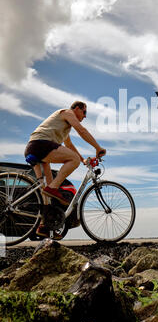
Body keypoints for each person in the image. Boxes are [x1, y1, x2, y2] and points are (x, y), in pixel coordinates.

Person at [24, 101, 106, 238]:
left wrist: (83, 160)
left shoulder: (64, 127)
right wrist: (98, 148)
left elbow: (69, 145)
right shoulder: (67, 113)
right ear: (77, 108)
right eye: (84, 112)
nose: (85, 116)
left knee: (46, 192)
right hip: (40, 144)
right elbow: (82, 130)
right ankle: (54, 188)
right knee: (56, 183)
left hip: (35, 148)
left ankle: (44, 227)